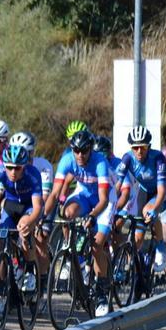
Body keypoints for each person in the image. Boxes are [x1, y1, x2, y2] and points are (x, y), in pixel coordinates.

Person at [43, 129, 113, 315]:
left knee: (97, 244)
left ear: (91, 149)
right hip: (83, 194)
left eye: (84, 151)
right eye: (76, 151)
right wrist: (42, 217)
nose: (80, 155)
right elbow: (55, 193)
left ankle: (101, 293)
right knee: (68, 212)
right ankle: (74, 254)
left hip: (103, 200)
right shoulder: (67, 160)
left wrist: (92, 216)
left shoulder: (100, 162)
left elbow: (104, 200)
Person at [0, 144, 48, 293]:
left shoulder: (33, 174)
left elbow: (37, 207)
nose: (13, 172)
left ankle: (29, 270)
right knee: (2, 240)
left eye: (17, 168)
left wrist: (30, 221)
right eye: (9, 167)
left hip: (29, 206)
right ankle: (2, 284)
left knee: (23, 231)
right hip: (11, 205)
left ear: (24, 166)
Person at [114, 126, 166, 266]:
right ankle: (136, 267)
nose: (139, 151)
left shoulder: (157, 157)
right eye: (135, 148)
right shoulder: (127, 158)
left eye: (143, 147)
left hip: (165, 190)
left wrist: (155, 209)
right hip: (145, 191)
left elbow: (162, 190)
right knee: (137, 238)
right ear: (131, 148)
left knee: (149, 211)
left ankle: (161, 248)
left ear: (149, 146)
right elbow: (117, 186)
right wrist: (111, 205)